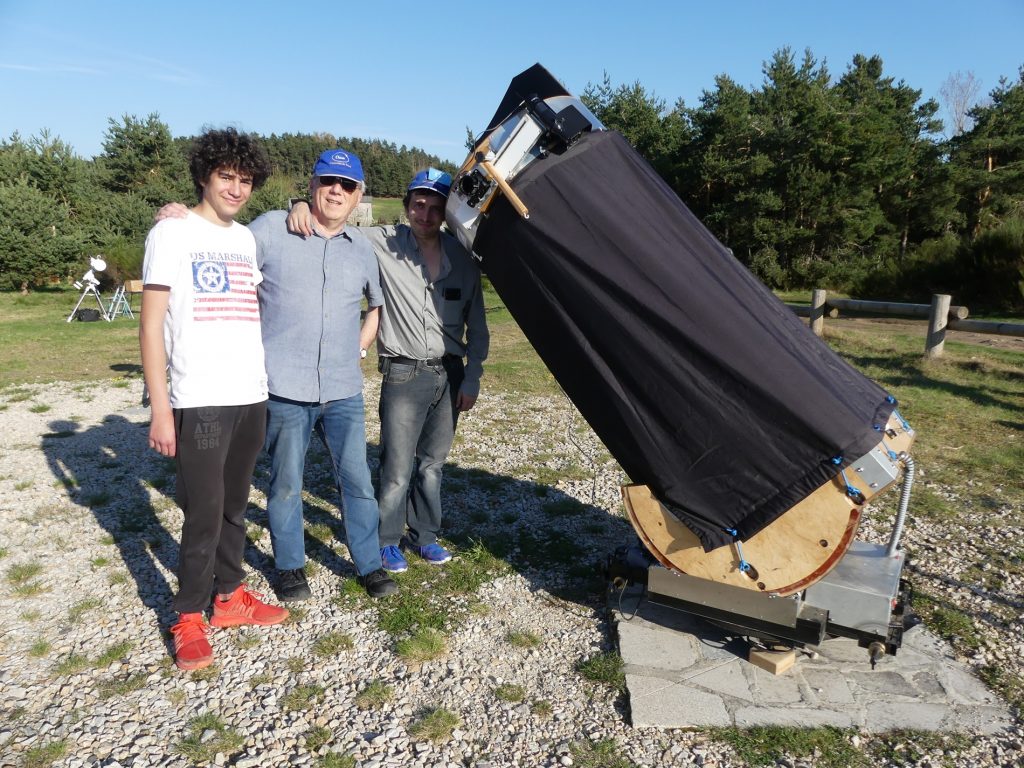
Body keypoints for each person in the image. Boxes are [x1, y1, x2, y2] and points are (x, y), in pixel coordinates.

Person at [157, 149, 398, 602]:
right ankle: (290, 568)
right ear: (312, 186)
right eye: (328, 182)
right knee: (286, 483)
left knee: (357, 482)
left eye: (347, 186)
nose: (337, 192)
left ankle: (368, 564)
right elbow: (218, 239)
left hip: (344, 389)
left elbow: (376, 306)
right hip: (285, 387)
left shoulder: (362, 249)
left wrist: (361, 345)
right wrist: (180, 219)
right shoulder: (271, 228)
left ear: (359, 195)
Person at [287, 168, 489, 573]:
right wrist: (298, 205)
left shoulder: (463, 258)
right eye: (419, 205)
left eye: (435, 208)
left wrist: (473, 376)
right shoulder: (381, 242)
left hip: (449, 375)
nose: (426, 215)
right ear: (407, 206)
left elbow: (479, 326)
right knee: (397, 466)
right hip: (403, 373)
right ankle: (387, 540)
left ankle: (426, 535)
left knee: (432, 464)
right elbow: (333, 220)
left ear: (445, 213)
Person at [140, 128, 288, 672]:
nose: (236, 188)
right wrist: (161, 408)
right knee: (201, 511)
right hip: (198, 397)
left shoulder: (246, 239)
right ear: (204, 175)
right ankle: (188, 616)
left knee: (233, 505)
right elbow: (151, 327)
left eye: (246, 180)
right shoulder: (172, 233)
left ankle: (228, 599)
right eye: (226, 176)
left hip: (250, 393)